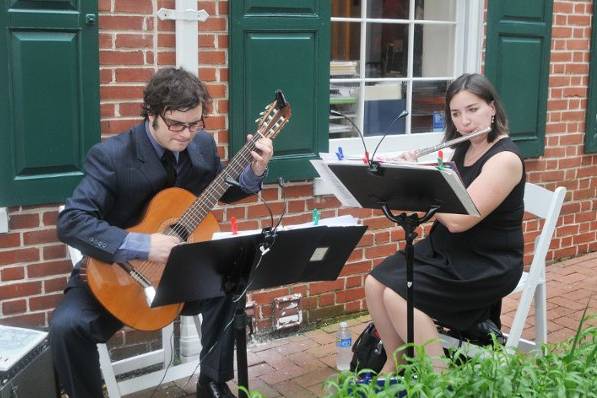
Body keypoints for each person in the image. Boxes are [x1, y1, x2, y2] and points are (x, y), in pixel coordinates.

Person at [49, 67, 273, 398]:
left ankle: (211, 382)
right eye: (176, 125)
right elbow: (72, 221)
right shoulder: (112, 156)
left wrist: (255, 170)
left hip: (178, 278)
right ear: (151, 114)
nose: (186, 134)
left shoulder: (200, 147)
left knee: (231, 283)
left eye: (195, 123)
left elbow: (220, 190)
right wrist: (141, 244)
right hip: (120, 277)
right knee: (66, 327)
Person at [365, 73, 525, 371]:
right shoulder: (462, 148)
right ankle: (395, 361)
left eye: (472, 109)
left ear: (492, 108)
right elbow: (440, 188)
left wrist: (418, 181)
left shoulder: (505, 159)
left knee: (400, 296)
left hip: (485, 261)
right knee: (374, 283)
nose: (464, 121)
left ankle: (438, 380)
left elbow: (458, 221)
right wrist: (407, 169)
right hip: (445, 251)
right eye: (455, 113)